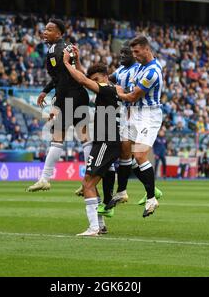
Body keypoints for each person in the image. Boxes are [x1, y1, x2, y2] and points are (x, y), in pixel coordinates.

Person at [26, 19, 91, 192]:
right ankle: (90, 181)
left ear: (59, 34)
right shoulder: (66, 47)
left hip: (69, 97)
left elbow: (62, 80)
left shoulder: (56, 50)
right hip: (80, 95)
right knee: (85, 138)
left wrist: (57, 106)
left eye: (49, 30)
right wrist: (45, 91)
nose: (45, 32)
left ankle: (44, 179)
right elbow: (61, 76)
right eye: (45, 29)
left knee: (57, 138)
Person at [63, 51, 121, 236]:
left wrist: (66, 63)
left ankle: (94, 227)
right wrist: (78, 62)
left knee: (87, 183)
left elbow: (83, 81)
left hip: (107, 141)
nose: (95, 81)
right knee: (90, 183)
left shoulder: (108, 89)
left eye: (97, 78)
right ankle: (99, 225)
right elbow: (87, 78)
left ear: (105, 76)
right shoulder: (107, 88)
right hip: (104, 141)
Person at [107, 35, 164, 217]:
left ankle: (151, 198)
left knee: (139, 155)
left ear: (147, 49)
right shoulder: (139, 67)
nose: (134, 55)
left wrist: (117, 94)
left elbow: (132, 96)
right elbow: (120, 82)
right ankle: (122, 191)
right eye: (132, 52)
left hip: (148, 116)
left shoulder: (152, 72)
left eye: (137, 52)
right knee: (124, 149)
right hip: (133, 114)